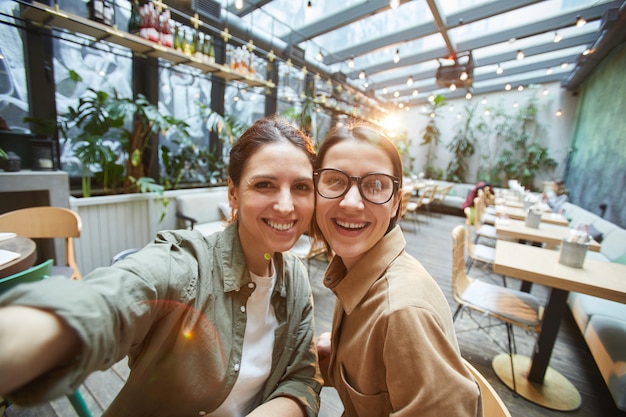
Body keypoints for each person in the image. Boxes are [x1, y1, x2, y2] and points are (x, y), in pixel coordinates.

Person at [0, 116, 322, 417]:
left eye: (301, 187)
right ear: (233, 193)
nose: (285, 205)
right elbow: (111, 302)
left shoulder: (294, 279)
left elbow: (302, 378)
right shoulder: (188, 264)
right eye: (264, 185)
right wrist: (37, 331)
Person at [311, 121, 481, 416]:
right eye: (335, 180)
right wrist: (337, 353)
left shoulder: (402, 312)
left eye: (374, 185)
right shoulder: (354, 272)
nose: (351, 203)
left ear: (395, 204)